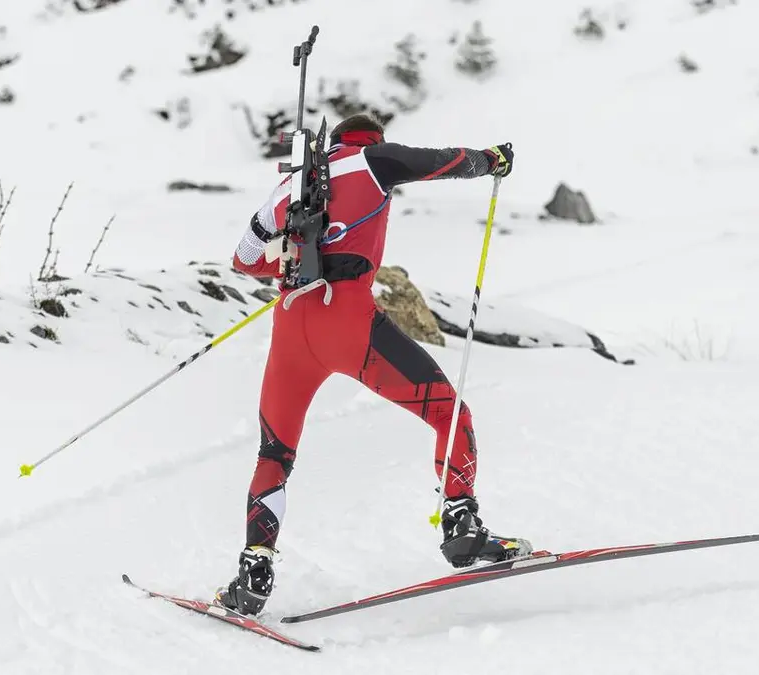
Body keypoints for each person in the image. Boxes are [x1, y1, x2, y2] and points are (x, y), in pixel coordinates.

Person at [215, 113, 530, 616]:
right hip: (349, 324)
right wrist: (492, 160)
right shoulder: (374, 159)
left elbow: (244, 258)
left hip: (291, 330)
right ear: (372, 138)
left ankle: (254, 570)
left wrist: (292, 258)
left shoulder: (289, 185)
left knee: (274, 454)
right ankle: (462, 527)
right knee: (451, 415)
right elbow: (442, 162)